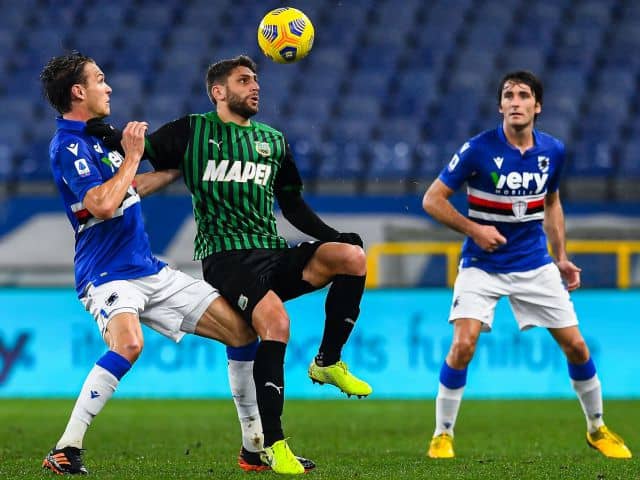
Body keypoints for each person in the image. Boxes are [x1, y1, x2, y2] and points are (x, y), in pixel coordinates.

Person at [88, 54, 372, 474]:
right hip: (226, 258)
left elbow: (292, 204)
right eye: (244, 80)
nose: (255, 87)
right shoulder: (193, 130)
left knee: (351, 256)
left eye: (256, 80)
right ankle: (273, 445)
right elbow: (142, 149)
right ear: (219, 92)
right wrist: (96, 128)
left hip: (271, 251)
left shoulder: (273, 140)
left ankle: (328, 361)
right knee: (275, 322)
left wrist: (332, 236)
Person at [38, 52, 314, 476]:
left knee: (242, 333)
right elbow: (103, 204)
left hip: (149, 269)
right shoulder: (69, 145)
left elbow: (135, 187)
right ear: (79, 92)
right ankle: (65, 448)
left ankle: (253, 448)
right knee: (129, 344)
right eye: (99, 79)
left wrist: (189, 161)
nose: (107, 86)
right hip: (106, 273)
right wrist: (132, 156)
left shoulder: (96, 140)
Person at [422, 70, 632, 460]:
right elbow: (432, 200)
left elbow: (551, 204)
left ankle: (597, 428)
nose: (515, 102)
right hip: (482, 265)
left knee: (577, 346)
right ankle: (442, 434)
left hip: (534, 263)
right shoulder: (477, 150)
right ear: (500, 105)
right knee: (463, 344)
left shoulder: (553, 151)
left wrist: (562, 257)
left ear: (537, 106)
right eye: (508, 95)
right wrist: (475, 229)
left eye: (523, 95)